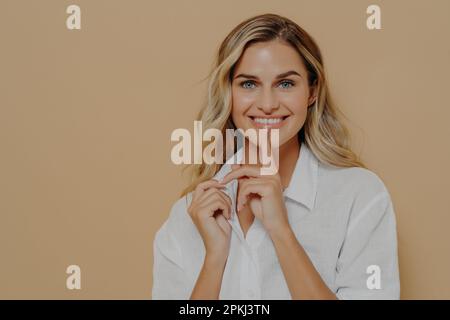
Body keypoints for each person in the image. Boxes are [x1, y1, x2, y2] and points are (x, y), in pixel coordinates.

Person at [152, 13, 400, 300]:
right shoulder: (188, 215)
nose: (268, 104)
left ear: (312, 91)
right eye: (248, 84)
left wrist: (281, 232)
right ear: (227, 92)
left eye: (285, 84)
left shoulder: (360, 197)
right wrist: (215, 259)